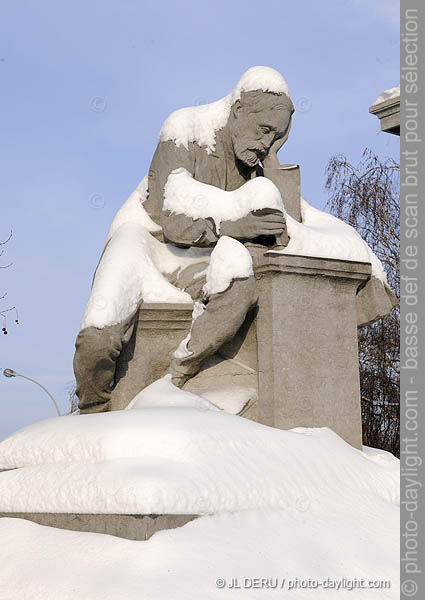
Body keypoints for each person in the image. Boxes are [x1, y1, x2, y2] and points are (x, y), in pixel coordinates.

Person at [74, 67, 295, 412]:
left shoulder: (256, 159)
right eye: (264, 130)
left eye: (277, 136)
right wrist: (238, 224)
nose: (267, 142)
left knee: (239, 286)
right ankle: (92, 412)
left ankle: (175, 378)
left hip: (198, 256)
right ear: (238, 110)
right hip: (146, 240)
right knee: (98, 336)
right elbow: (174, 220)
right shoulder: (184, 130)